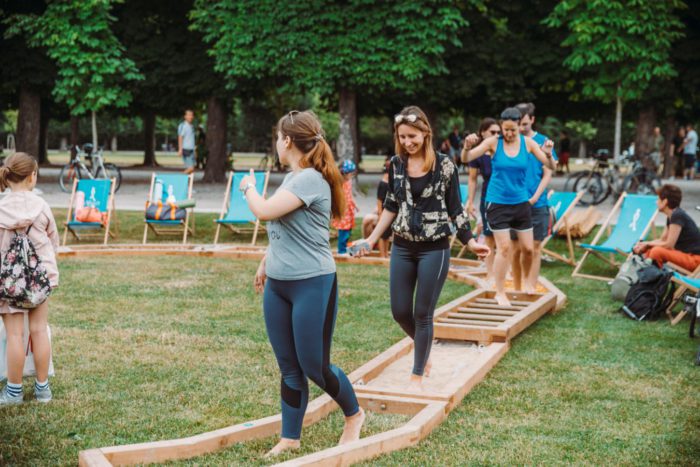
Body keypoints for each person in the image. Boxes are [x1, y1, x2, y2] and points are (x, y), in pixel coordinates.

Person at [238, 110, 364, 456]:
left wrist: (248, 187)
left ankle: (354, 416)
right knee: (289, 367)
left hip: (312, 283)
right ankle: (290, 437)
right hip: (279, 285)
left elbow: (264, 211)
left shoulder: (309, 179)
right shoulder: (294, 178)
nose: (277, 143)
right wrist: (267, 258)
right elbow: (285, 225)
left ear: (288, 141)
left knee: (314, 366)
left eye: (278, 137)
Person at [356, 106, 489, 392]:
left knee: (422, 313)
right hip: (402, 246)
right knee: (399, 311)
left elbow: (455, 208)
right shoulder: (396, 164)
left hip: (434, 249)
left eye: (412, 136)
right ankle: (424, 347)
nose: (407, 142)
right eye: (402, 137)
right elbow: (391, 206)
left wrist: (471, 241)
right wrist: (370, 240)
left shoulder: (445, 166)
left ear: (425, 133)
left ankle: (417, 374)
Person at [462, 107, 556, 306]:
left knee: (529, 249)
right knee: (504, 248)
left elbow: (552, 167)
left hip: (521, 204)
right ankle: (501, 292)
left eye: (513, 129)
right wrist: (466, 146)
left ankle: (526, 283)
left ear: (519, 127)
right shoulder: (492, 143)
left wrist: (548, 154)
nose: (509, 133)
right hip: (497, 203)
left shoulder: (528, 143)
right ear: (502, 127)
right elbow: (466, 158)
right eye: (506, 129)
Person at [0, 153, 59, 405]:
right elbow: (53, 241)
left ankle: (14, 392)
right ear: (32, 176)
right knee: (39, 330)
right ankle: (42, 389)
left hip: (7, 283)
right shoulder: (42, 207)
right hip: (39, 282)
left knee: (14, 335)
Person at [510, 103, 557, 292]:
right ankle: (517, 285)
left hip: (537, 203)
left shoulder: (543, 141)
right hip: (514, 202)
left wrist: (534, 197)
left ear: (532, 120)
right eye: (518, 124)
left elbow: (548, 173)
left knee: (535, 247)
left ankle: (531, 285)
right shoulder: (511, 141)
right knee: (516, 248)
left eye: (525, 124)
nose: (521, 128)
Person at [633, 184, 700, 271]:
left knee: (657, 251)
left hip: (694, 260)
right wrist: (644, 244)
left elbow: (669, 245)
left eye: (658, 199)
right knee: (650, 249)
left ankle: (653, 280)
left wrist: (648, 244)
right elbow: (663, 240)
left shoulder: (677, 215)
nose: (656, 202)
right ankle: (643, 278)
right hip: (686, 256)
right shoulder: (672, 216)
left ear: (665, 202)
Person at [466, 118, 500, 284]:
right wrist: (469, 201)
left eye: (498, 132)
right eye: (492, 132)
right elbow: (472, 179)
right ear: (482, 133)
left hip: (508, 199)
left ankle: (505, 273)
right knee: (489, 237)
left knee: (506, 239)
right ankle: (491, 274)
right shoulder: (478, 153)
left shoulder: (505, 149)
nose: (496, 135)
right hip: (488, 199)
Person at [332, 160, 357, 255]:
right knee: (343, 231)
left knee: (348, 230)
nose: (352, 176)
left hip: (349, 211)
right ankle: (341, 251)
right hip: (342, 211)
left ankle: (345, 247)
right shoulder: (338, 183)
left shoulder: (349, 181)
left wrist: (355, 205)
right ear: (344, 173)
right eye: (351, 174)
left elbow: (349, 195)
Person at [177, 109, 196, 175]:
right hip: (186, 149)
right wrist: (180, 149)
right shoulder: (183, 126)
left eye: (191, 115)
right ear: (185, 116)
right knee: (190, 168)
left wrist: (195, 150)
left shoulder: (192, 126)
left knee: (192, 169)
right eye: (189, 115)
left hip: (191, 149)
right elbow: (180, 137)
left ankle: (187, 184)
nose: (190, 117)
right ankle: (179, 178)